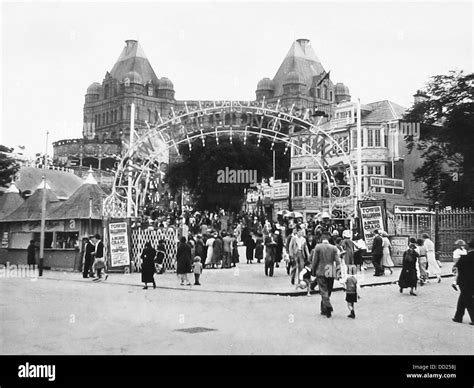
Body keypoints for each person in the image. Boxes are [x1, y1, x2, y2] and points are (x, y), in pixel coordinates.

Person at [311, 232, 341, 318]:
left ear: (321, 239)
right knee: (329, 290)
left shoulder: (318, 247)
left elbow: (314, 261)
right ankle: (324, 309)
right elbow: (338, 261)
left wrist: (313, 271)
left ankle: (327, 306)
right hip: (330, 271)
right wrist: (338, 272)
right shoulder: (334, 248)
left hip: (320, 271)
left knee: (323, 290)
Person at [452, 238, 474, 325]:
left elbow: (456, 269)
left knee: (467, 299)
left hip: (464, 281)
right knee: (463, 298)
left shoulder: (464, 258)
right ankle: (458, 317)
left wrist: (455, 281)